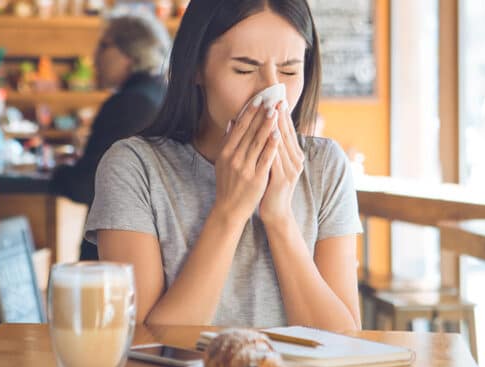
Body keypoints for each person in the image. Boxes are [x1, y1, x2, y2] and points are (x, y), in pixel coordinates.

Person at [85, 0, 362, 331]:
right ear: (196, 69)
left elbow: (343, 341)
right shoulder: (134, 168)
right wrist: (229, 212)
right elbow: (145, 342)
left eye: (289, 70)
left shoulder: (325, 167)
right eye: (244, 70)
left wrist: (279, 218)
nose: (273, 94)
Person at [50, 12, 170, 260]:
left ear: (130, 52)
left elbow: (87, 185)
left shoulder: (129, 103)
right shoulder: (161, 93)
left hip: (116, 250)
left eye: (104, 46)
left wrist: (56, 173)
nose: (95, 57)